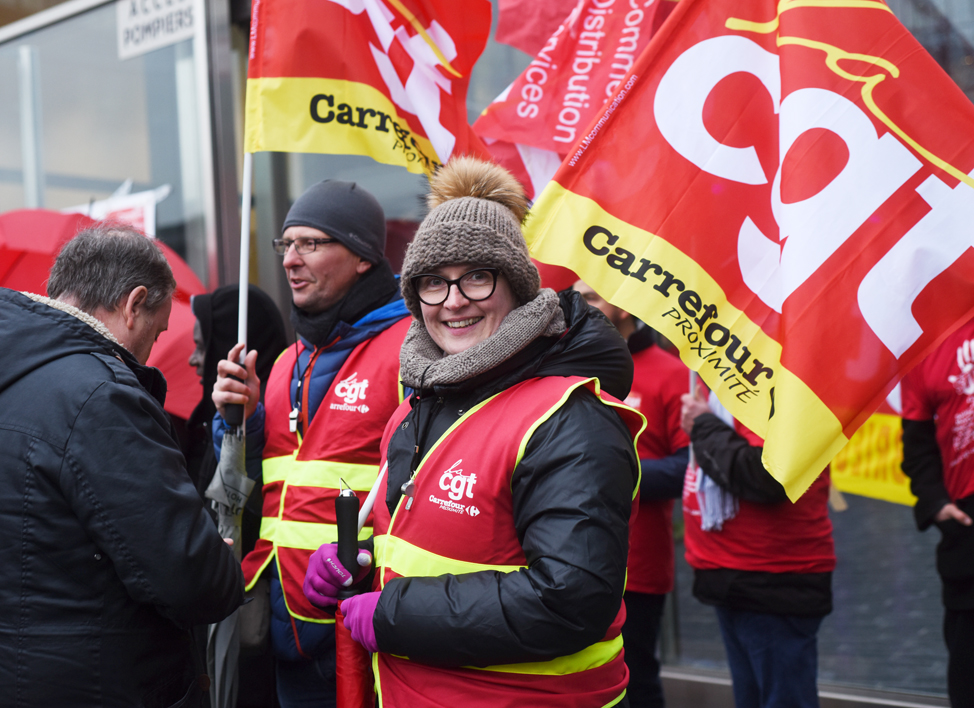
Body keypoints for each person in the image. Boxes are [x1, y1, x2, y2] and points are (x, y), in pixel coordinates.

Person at [304, 156, 643, 707]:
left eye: (476, 277)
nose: (454, 300)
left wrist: (391, 613)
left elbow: (570, 599)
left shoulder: (569, 416)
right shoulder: (420, 402)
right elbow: (429, 547)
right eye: (433, 283)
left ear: (516, 284)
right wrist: (356, 563)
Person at [0, 224, 244, 707]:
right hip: (102, 681)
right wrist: (214, 556)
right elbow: (192, 578)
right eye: (156, 333)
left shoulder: (17, 371)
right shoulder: (101, 396)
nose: (153, 350)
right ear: (134, 304)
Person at [211, 180, 411, 707]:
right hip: (283, 621)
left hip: (361, 623)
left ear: (365, 257)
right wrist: (240, 422)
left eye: (311, 243)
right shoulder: (284, 361)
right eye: (286, 245)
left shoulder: (411, 348)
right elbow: (254, 484)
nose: (291, 260)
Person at [574, 280, 690, 708]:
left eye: (590, 296)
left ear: (624, 305)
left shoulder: (671, 373)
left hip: (639, 566)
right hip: (574, 561)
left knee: (637, 680)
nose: (579, 304)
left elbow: (687, 467)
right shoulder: (573, 371)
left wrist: (609, 473)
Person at [680, 388, 835, 708]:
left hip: (773, 578)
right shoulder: (725, 374)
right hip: (731, 571)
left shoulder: (795, 380)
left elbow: (770, 475)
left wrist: (704, 426)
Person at [185, 284, 288, 708]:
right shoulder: (199, 423)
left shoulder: (273, 427)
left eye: (202, 346)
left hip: (254, 628)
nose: (194, 359)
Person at [901, 321, 974, 708]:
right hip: (965, 525)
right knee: (966, 673)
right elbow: (916, 445)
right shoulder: (927, 344)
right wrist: (936, 504)